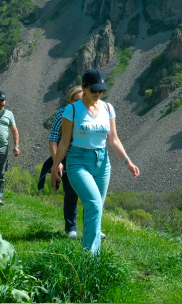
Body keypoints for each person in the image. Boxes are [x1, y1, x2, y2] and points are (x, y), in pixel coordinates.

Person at [51, 68, 140, 253]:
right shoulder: (72, 110)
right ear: (84, 88)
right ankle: (90, 258)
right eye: (94, 90)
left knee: (96, 209)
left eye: (102, 90)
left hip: (102, 162)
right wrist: (54, 167)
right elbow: (64, 142)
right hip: (78, 161)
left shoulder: (108, 109)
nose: (98, 94)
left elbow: (113, 139)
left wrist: (127, 162)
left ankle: (92, 256)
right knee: (94, 204)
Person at [47, 85, 104, 240]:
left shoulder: (91, 114)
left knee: (90, 194)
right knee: (71, 194)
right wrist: (56, 162)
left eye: (82, 99)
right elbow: (54, 139)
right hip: (67, 158)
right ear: (70, 100)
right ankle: (71, 227)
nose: (81, 103)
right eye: (77, 100)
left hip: (88, 157)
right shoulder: (62, 114)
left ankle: (92, 227)